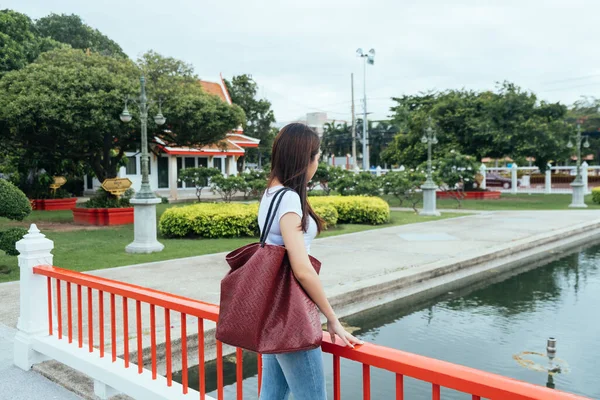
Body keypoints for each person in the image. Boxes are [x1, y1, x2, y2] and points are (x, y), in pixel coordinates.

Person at [257, 123, 363, 400]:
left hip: (272, 310)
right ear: (306, 159)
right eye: (317, 156)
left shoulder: (271, 192)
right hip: (292, 315)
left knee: (272, 394)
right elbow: (302, 269)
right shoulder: (289, 199)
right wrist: (332, 318)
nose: (318, 162)